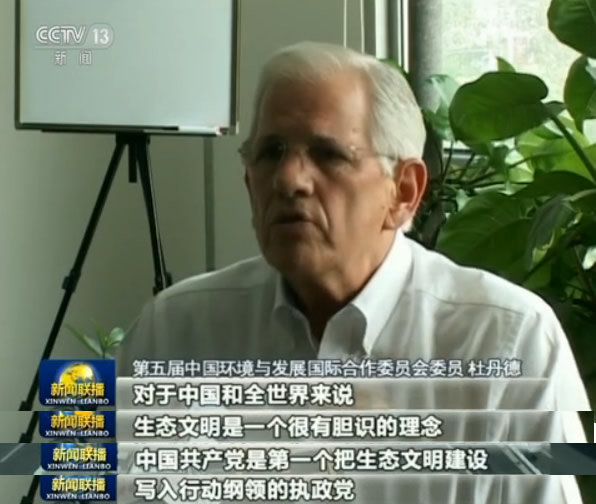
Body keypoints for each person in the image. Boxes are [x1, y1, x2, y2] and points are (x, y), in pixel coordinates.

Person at [116, 41, 589, 503]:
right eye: (271, 152)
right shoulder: (173, 331)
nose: (289, 180)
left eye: (328, 154)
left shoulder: (510, 340)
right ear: (248, 182)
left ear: (403, 191)